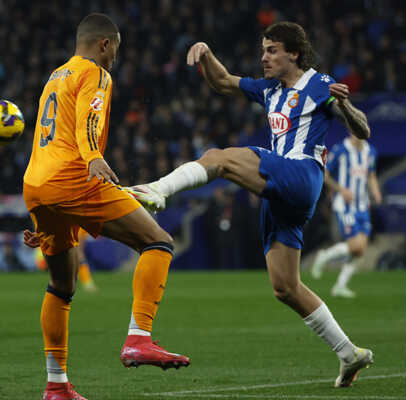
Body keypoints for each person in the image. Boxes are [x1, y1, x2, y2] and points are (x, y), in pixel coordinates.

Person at [126, 22, 373, 388]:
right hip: (282, 193)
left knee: (219, 158)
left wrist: (346, 106)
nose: (264, 57)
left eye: (272, 50)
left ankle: (158, 190)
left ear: (294, 53)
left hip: (302, 173)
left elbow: (363, 129)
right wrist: (206, 54)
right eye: (263, 50)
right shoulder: (269, 89)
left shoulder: (318, 85)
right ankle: (347, 352)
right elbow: (223, 81)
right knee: (285, 287)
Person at [21, 13, 189, 400]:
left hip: (36, 186)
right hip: (74, 177)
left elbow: (52, 135)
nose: (116, 58)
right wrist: (94, 155)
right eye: (117, 50)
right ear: (105, 44)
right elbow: (88, 118)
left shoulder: (55, 75)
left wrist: (47, 210)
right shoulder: (96, 73)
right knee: (158, 242)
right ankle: (139, 338)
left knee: (62, 285)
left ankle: (56, 386)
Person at [311, 134, 382, 297]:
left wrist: (376, 191)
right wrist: (341, 190)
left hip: (363, 205)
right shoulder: (340, 150)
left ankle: (340, 286)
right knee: (356, 245)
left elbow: (371, 175)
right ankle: (325, 255)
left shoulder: (370, 151)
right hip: (345, 205)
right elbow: (325, 175)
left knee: (360, 250)